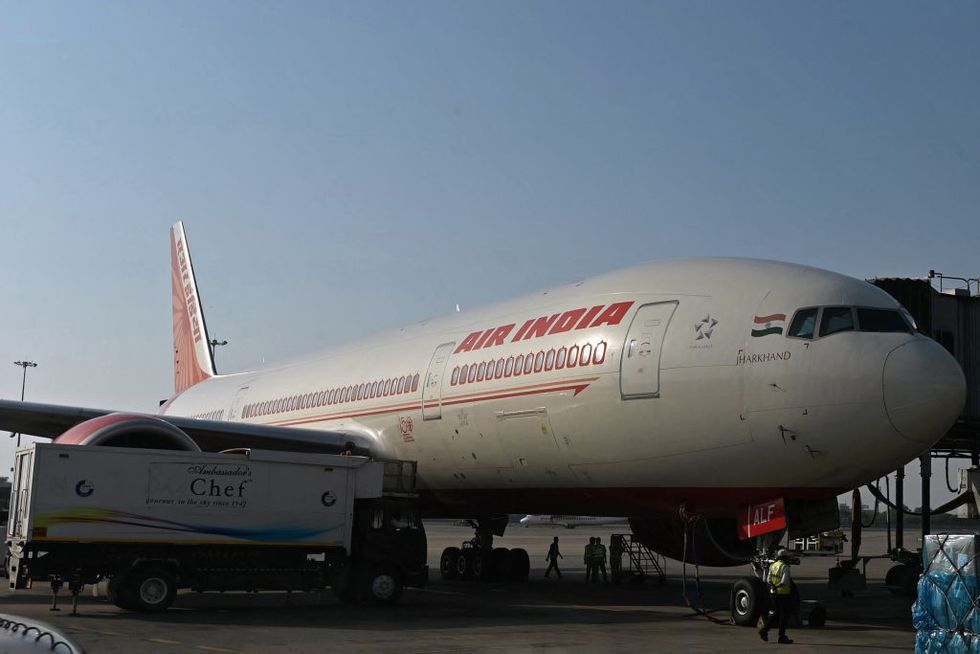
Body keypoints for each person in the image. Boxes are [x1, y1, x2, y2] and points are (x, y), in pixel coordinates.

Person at [760, 549, 795, 644]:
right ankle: (781, 636)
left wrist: (773, 586)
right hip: (783, 594)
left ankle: (765, 630)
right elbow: (785, 582)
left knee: (776, 613)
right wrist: (777, 586)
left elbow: (768, 579)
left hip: (773, 594)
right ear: (784, 557)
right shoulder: (785, 567)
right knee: (784, 616)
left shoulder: (773, 566)